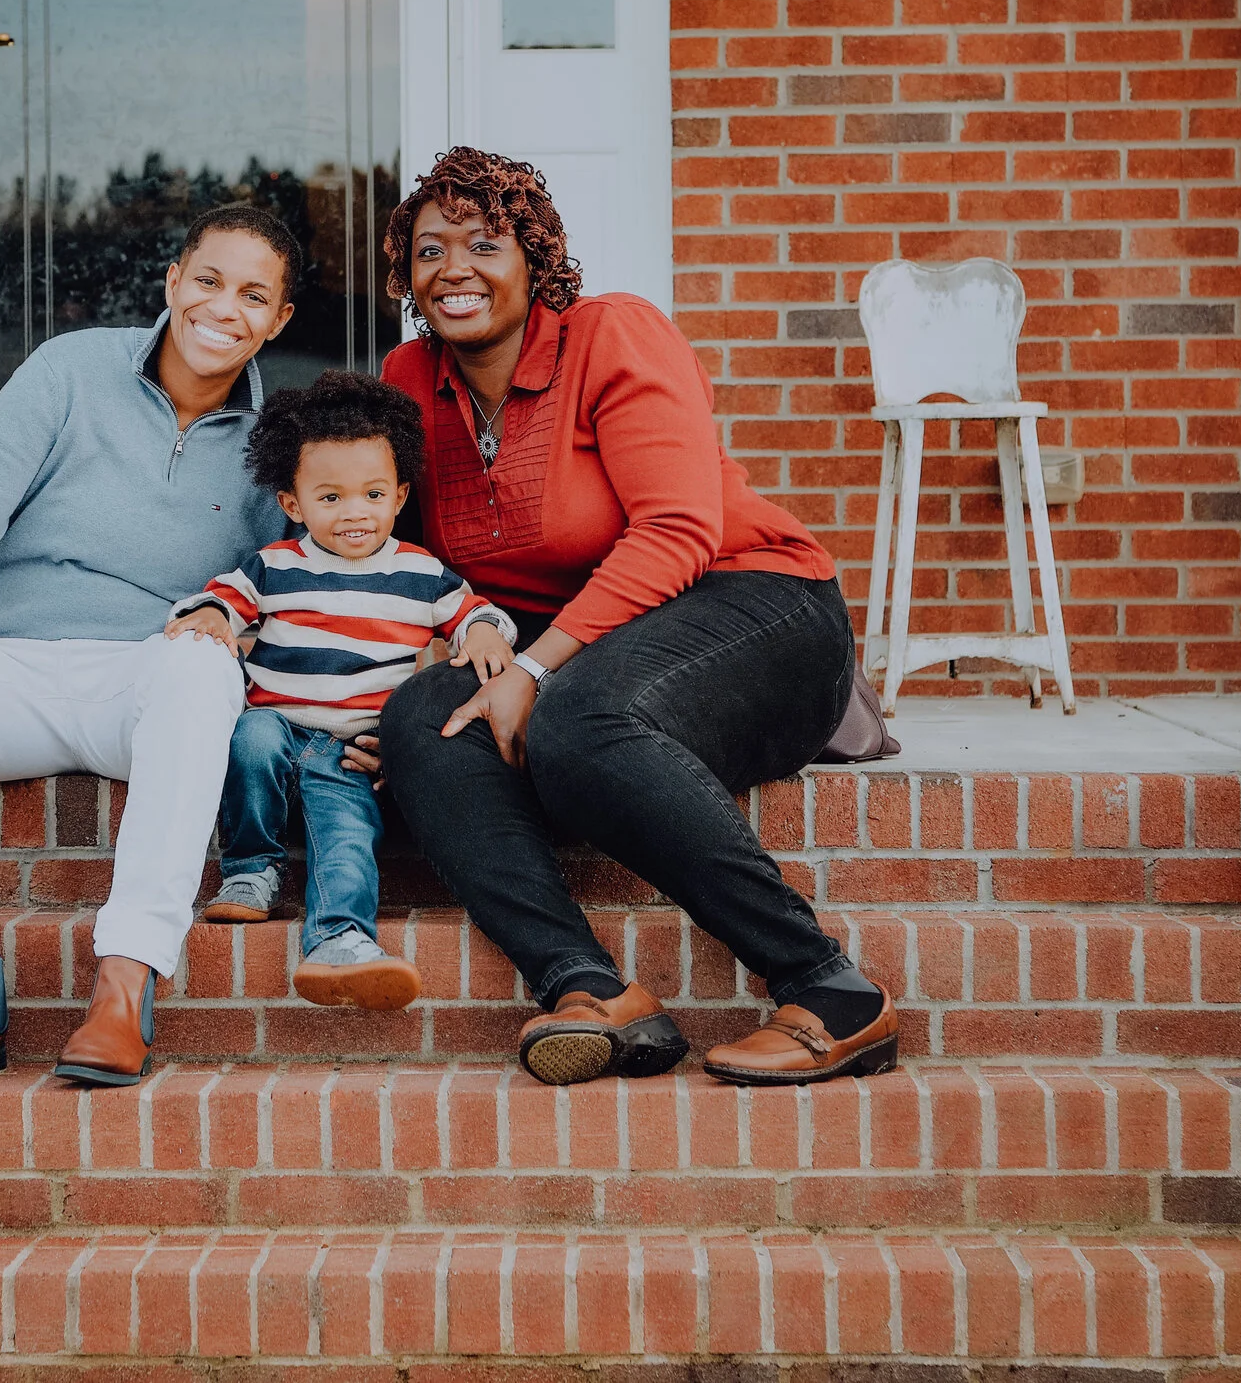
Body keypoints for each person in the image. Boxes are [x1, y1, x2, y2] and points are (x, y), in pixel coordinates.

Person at [372, 147, 899, 1088]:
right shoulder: (410, 378)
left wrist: (535, 670)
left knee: (576, 718)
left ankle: (831, 988)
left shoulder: (612, 334)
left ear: (536, 258)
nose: (453, 267)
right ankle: (590, 991)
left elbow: (679, 531)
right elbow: (404, 560)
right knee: (420, 720)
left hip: (758, 607)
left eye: (484, 243)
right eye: (429, 248)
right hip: (586, 644)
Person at [0, 204, 298, 1088]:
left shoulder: (275, 443)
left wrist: (240, 622)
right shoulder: (70, 370)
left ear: (278, 321)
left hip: (139, 679)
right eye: (210, 281)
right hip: (7, 665)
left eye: (254, 295)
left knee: (203, 668)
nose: (224, 307)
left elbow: (281, 579)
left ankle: (125, 982)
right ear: (173, 283)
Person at [170, 370, 516, 1013]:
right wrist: (212, 617)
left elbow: (474, 613)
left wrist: (490, 633)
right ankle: (251, 870)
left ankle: (340, 941)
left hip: (353, 749)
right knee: (248, 739)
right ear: (294, 503)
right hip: (277, 727)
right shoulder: (275, 564)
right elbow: (220, 600)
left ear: (399, 496)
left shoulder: (419, 573)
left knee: (348, 835)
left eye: (372, 494)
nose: (354, 512)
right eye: (330, 497)